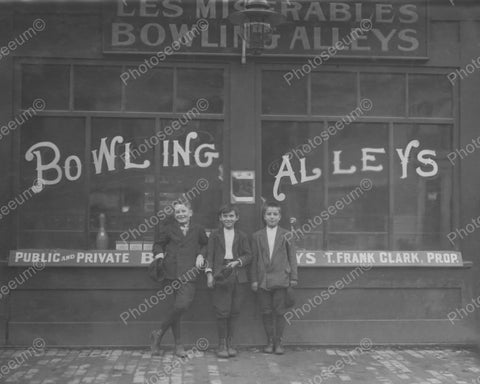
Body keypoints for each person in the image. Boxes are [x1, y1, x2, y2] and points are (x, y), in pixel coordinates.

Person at [150, 201, 208, 357]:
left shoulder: (198, 229)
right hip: (171, 271)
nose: (181, 214)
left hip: (189, 272)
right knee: (177, 307)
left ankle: (159, 333)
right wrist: (159, 253)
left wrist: (201, 254)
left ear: (190, 212)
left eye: (184, 211)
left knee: (182, 305)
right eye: (178, 212)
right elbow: (157, 244)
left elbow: (205, 244)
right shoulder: (169, 228)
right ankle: (178, 345)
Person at [250, 201, 298, 355]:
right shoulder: (257, 236)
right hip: (263, 280)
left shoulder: (287, 234)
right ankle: (269, 341)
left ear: (280, 217)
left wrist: (293, 278)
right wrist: (254, 280)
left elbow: (292, 257)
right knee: (266, 311)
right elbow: (254, 260)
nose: (272, 217)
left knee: (279, 311)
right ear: (264, 216)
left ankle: (278, 342)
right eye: (268, 214)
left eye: (275, 214)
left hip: (281, 279)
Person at [205, 204, 252, 358]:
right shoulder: (214, 235)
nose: (228, 219)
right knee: (222, 311)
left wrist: (238, 262)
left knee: (235, 310)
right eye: (225, 216)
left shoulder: (242, 235)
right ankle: (222, 344)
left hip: (238, 275)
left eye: (231, 216)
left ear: (236, 218)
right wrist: (209, 275)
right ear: (220, 218)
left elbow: (248, 255)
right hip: (221, 274)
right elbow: (209, 256)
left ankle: (231, 343)